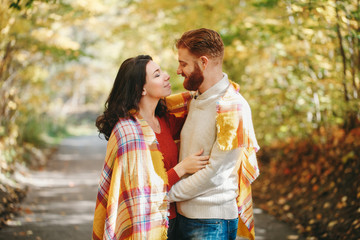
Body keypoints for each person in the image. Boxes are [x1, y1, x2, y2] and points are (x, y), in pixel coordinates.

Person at [92, 55, 209, 240]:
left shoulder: (164, 120)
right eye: (157, 75)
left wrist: (223, 91)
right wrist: (182, 168)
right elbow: (141, 190)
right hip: (148, 225)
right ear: (141, 89)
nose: (166, 76)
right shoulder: (128, 131)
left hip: (178, 218)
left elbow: (202, 103)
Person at [167, 28, 260, 240]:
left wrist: (165, 194)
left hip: (211, 223)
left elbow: (215, 174)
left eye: (183, 63)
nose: (178, 70)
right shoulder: (193, 100)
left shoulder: (232, 108)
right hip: (182, 216)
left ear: (203, 62)